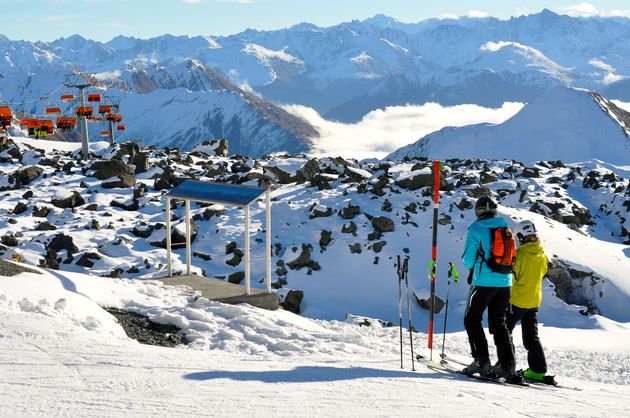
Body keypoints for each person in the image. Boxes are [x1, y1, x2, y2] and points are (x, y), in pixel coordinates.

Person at [461, 196, 522, 383]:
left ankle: (481, 361)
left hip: (483, 282)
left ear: (478, 211)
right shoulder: (505, 227)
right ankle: (507, 365)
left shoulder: (477, 228)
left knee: (472, 320)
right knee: (499, 324)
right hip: (504, 283)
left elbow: (468, 260)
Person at [507, 220, 556, 384]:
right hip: (534, 301)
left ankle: (507, 365)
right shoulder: (542, 254)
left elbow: (513, 279)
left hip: (517, 300)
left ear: (521, 236)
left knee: (504, 331)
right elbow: (542, 273)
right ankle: (537, 370)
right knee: (531, 336)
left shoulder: (520, 255)